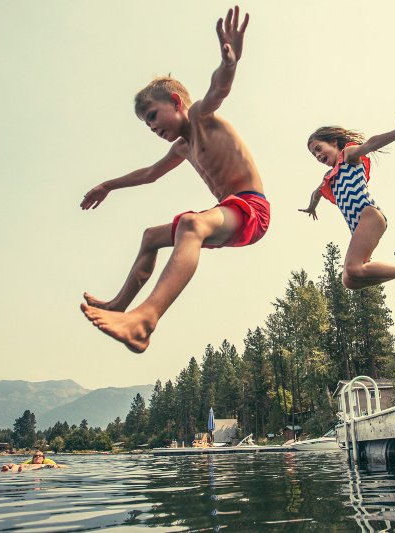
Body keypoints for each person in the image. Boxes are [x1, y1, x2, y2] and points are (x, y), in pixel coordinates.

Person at [79, 6, 269, 353]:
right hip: (227, 210)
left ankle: (144, 321)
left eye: (154, 116)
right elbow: (150, 174)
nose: (153, 128)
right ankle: (120, 305)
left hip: (251, 209)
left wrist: (230, 63)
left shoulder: (200, 117)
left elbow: (218, 89)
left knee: (191, 226)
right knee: (151, 237)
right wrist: (108, 185)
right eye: (147, 126)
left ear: (176, 102)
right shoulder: (183, 147)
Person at [299, 112, 395, 300]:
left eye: (319, 148)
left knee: (353, 268)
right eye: (314, 154)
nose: (318, 155)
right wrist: (311, 206)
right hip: (359, 225)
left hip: (368, 214)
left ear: (334, 143)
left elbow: (370, 144)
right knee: (350, 280)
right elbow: (317, 193)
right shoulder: (329, 178)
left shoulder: (348, 156)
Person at [0, 450, 65, 472]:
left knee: (22, 468)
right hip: (25, 467)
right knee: (15, 465)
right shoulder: (28, 463)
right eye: (35, 456)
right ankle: (7, 469)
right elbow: (16, 465)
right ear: (32, 458)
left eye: (40, 456)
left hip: (36, 468)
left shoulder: (47, 463)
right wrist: (9, 465)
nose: (37, 457)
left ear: (43, 459)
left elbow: (59, 466)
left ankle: (16, 470)